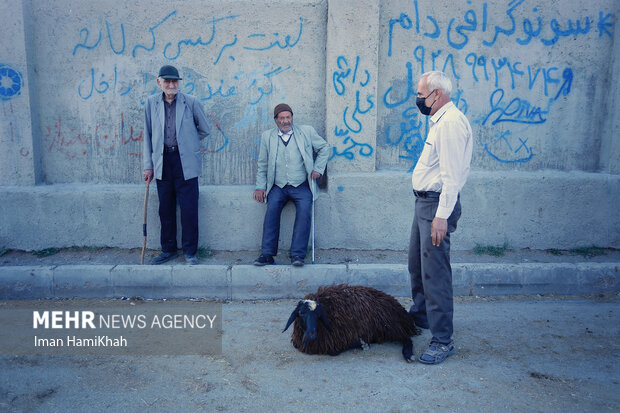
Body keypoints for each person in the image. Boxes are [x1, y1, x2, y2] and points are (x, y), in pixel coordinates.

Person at [408, 71, 473, 364]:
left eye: (421, 94)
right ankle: (421, 316)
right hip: (424, 204)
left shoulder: (449, 124)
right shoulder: (438, 121)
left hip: (436, 207)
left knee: (435, 274)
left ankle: (442, 340)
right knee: (416, 265)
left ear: (437, 94)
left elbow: (451, 177)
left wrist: (441, 217)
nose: (418, 99)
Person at [143, 65, 210, 265]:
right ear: (159, 82)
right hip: (162, 161)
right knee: (165, 208)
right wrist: (148, 166)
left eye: (174, 82)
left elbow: (204, 129)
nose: (171, 85)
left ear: (179, 83)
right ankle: (168, 249)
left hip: (185, 161)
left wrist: (187, 144)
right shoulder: (151, 103)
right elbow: (146, 135)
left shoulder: (191, 102)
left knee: (189, 208)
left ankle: (190, 252)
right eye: (167, 81)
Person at [253, 103, 329, 267]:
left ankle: (297, 255)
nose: (286, 121)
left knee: (304, 211)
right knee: (272, 210)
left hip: (301, 184)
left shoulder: (306, 131)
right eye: (282, 118)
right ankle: (267, 254)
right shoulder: (268, 136)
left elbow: (324, 148)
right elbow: (263, 164)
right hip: (278, 185)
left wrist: (318, 169)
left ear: (292, 118)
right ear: (276, 120)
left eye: (288, 117)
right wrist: (260, 186)